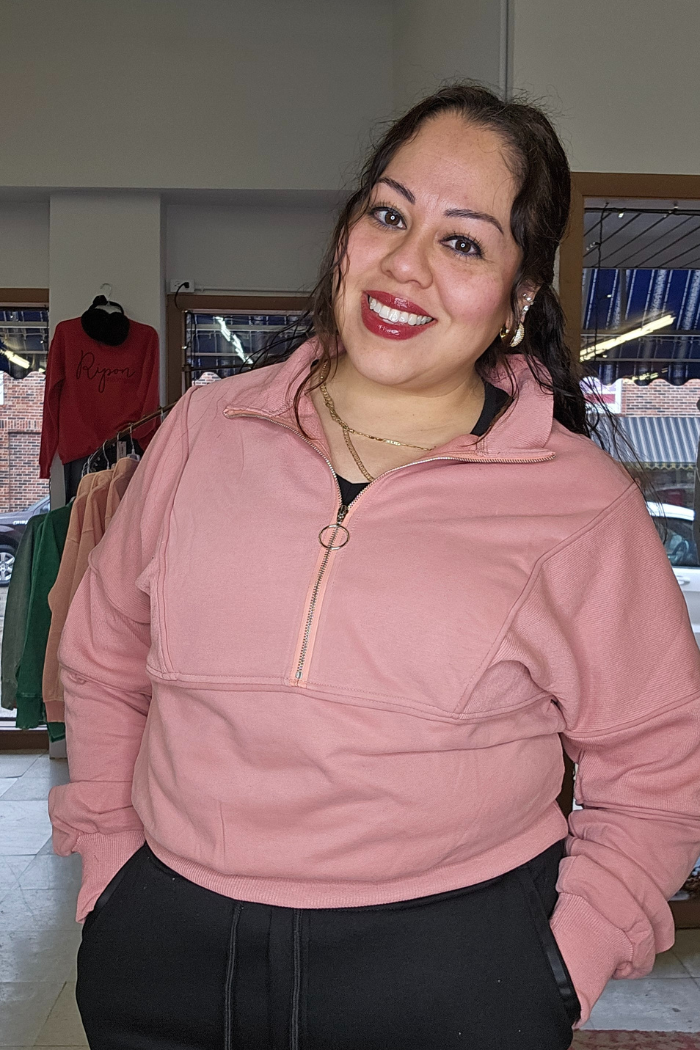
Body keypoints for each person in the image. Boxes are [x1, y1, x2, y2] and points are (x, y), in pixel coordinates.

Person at [49, 83, 700, 1050]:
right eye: (390, 214)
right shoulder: (205, 432)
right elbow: (104, 659)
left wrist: (566, 959)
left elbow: (657, 765)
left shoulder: (583, 506)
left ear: (518, 301)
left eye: (465, 241)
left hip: (450, 968)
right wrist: (109, 863)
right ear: (349, 231)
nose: (406, 266)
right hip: (168, 946)